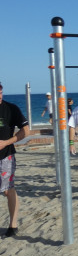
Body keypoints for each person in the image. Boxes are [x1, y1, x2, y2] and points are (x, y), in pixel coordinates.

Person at [0, 82, 30, 237]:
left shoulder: (11, 109)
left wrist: (6, 142)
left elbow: (26, 131)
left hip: (6, 156)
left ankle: (13, 224)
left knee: (7, 190)